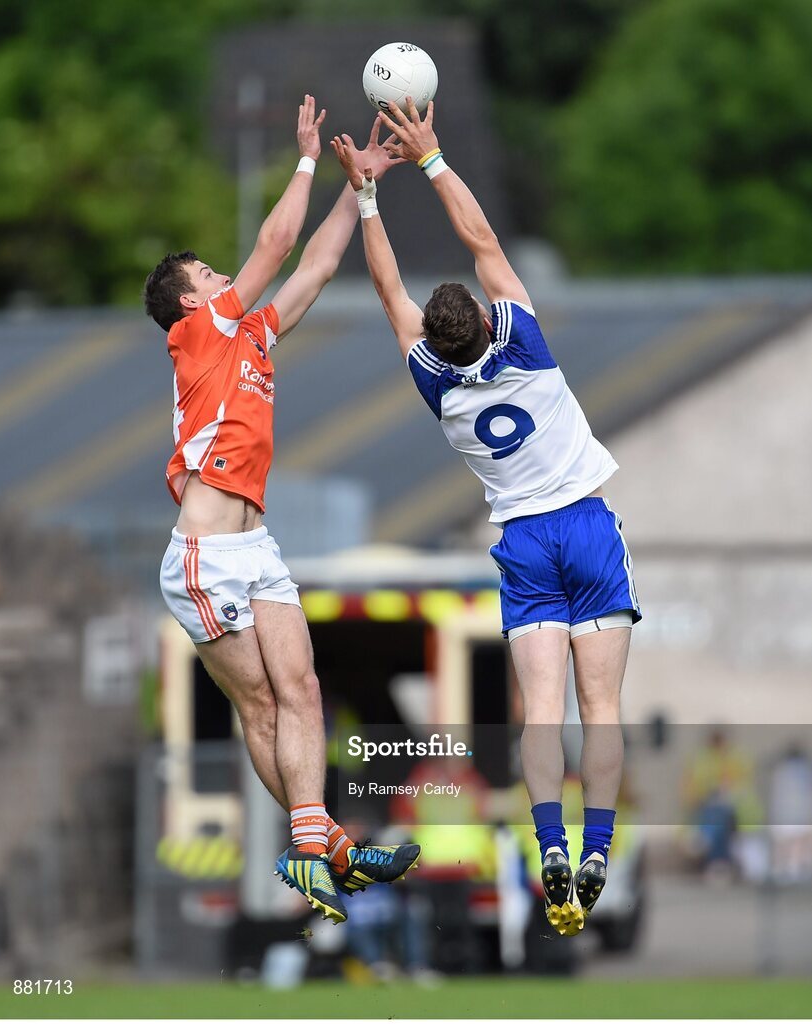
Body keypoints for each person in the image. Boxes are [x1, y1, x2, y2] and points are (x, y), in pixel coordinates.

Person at [331, 99, 641, 937]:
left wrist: (366, 195)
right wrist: (430, 158)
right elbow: (483, 242)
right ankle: (598, 850)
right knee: (599, 709)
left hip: (522, 545)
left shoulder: (432, 384)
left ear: (436, 341)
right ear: (483, 321)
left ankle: (548, 848)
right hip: (583, 523)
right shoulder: (525, 344)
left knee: (541, 714)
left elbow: (389, 289)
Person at [143, 96, 419, 925]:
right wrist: (303, 158)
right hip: (202, 555)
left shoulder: (251, 335)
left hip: (256, 547)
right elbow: (273, 245)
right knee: (261, 704)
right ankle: (316, 846)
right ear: (190, 305)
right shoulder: (191, 338)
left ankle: (318, 846)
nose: (225, 280)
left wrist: (358, 189)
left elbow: (317, 266)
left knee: (303, 691)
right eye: (210, 279)